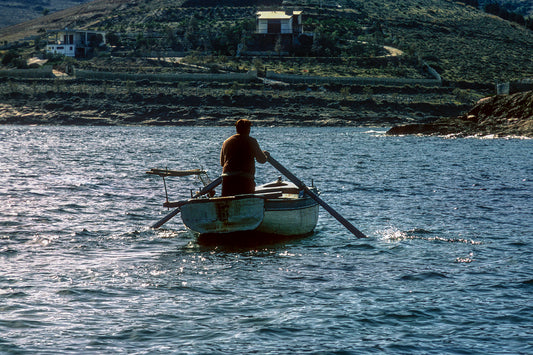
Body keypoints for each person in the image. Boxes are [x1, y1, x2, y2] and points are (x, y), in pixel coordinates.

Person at [220, 119, 269, 196]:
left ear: (237, 128)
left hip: (227, 179)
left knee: (227, 202)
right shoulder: (251, 141)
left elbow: (222, 163)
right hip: (245, 179)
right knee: (245, 202)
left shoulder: (226, 142)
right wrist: (266, 155)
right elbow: (262, 160)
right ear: (248, 129)